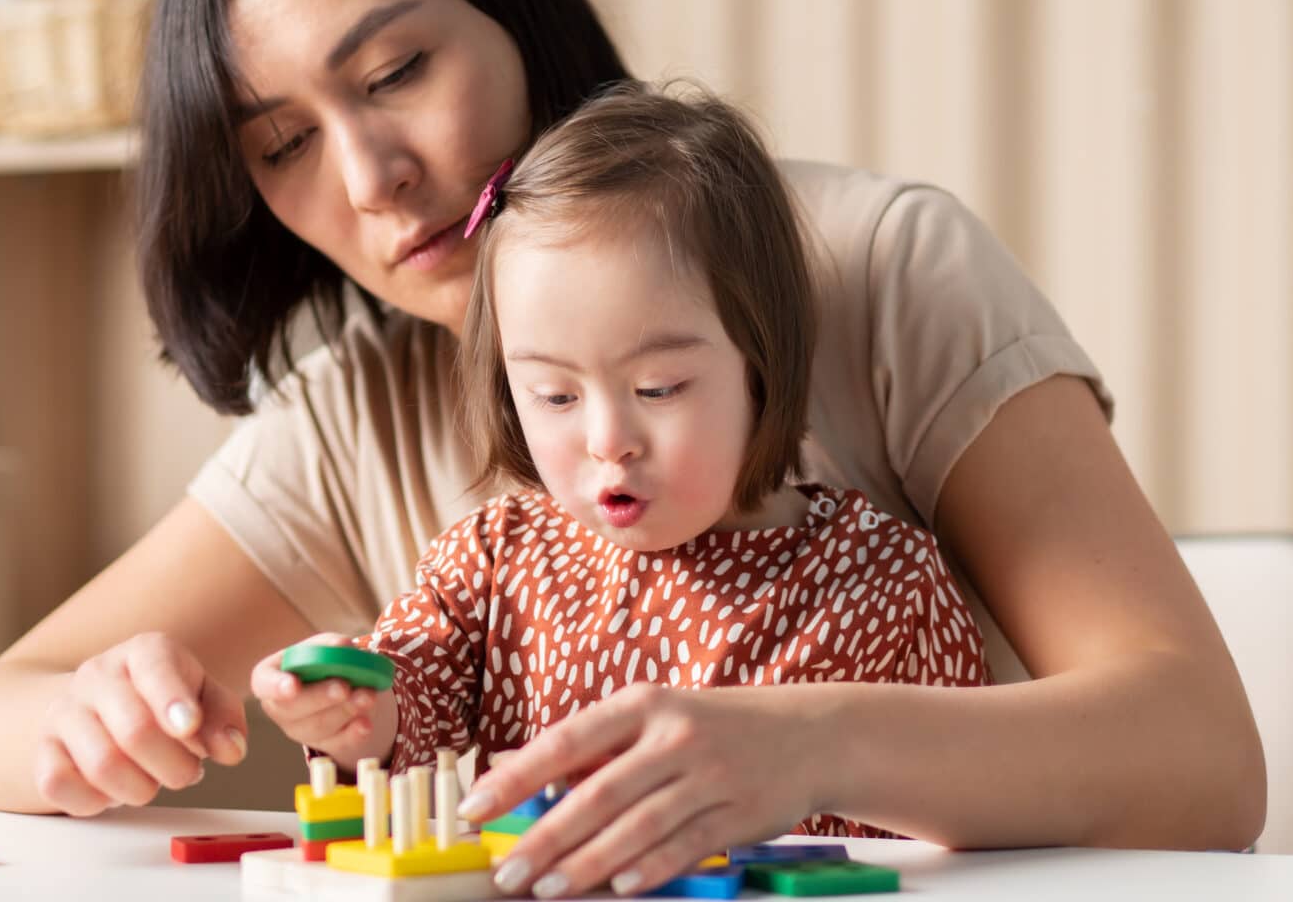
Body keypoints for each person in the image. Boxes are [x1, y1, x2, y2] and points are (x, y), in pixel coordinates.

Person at [0, 0, 1264, 895]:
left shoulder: (875, 267)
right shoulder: (358, 406)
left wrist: (815, 746)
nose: (373, 174)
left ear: (515, 13)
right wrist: (95, 718)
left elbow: (1204, 763)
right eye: (281, 144)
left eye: (396, 73)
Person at [252, 85, 993, 894]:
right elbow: (409, 695)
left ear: (760, 362)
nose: (608, 440)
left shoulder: (885, 581)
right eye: (556, 397)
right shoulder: (493, 564)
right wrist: (350, 711)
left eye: (660, 387)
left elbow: (980, 805)